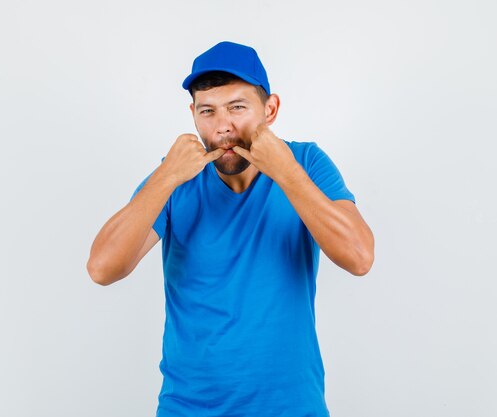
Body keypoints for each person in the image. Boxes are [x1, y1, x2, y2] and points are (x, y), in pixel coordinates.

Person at [87, 41, 374, 417]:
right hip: (188, 408)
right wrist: (166, 177)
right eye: (207, 111)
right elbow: (103, 268)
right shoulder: (175, 178)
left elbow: (359, 257)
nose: (222, 126)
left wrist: (285, 172)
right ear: (192, 114)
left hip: (290, 407)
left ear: (269, 109)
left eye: (237, 107)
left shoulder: (306, 163)